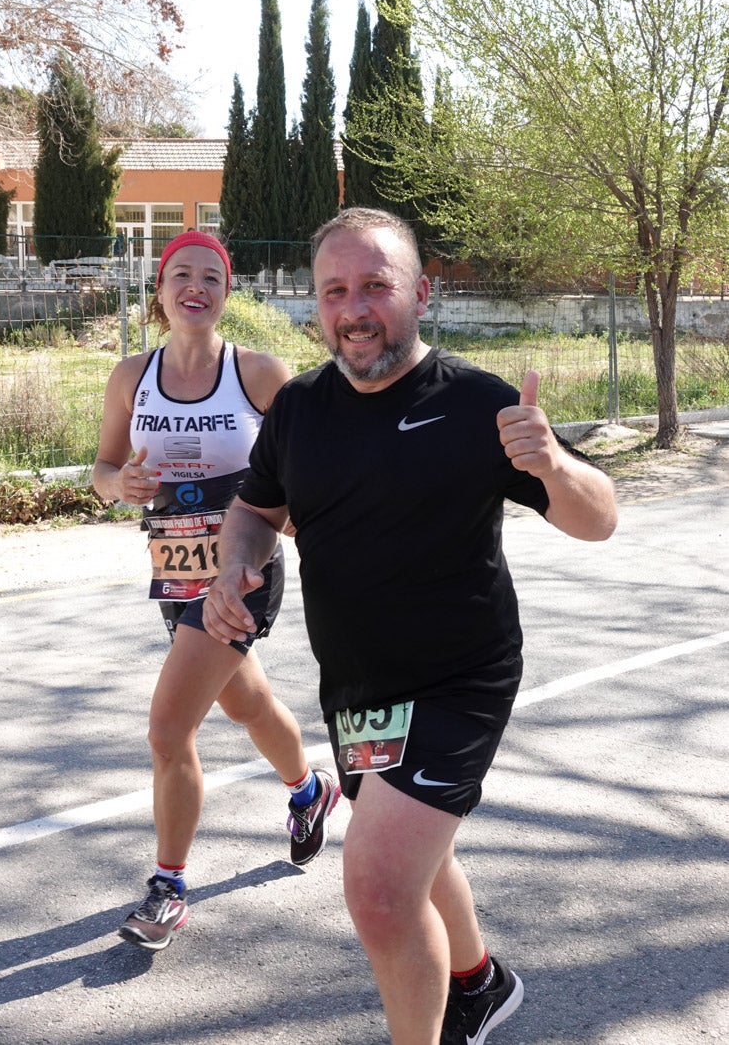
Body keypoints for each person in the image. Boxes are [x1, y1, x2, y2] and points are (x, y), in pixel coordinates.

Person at [201, 209, 618, 1043]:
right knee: (416, 863)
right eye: (335, 291)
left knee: (381, 891)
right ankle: (478, 981)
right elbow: (254, 508)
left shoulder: (473, 402)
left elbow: (597, 519)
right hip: (357, 684)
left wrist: (554, 463)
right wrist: (233, 565)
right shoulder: (299, 409)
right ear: (315, 306)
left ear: (420, 293)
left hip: (459, 678)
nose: (355, 309)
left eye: (375, 286)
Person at [92, 230, 340, 952]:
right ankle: (308, 788)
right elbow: (103, 470)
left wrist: (318, 526)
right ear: (161, 289)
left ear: (226, 293)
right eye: (181, 275)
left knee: (169, 728)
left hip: (242, 571)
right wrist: (121, 484)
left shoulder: (258, 372)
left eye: (211, 277)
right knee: (246, 700)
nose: (195, 287)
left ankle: (167, 886)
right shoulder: (129, 376)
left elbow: (313, 469)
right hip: (172, 569)